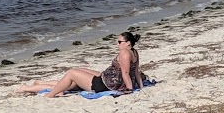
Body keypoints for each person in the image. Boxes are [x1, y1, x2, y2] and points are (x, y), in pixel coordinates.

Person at [15, 30, 148, 99]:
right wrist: (140, 87)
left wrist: (130, 90)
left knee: (72, 73)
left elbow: (125, 72)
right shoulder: (134, 52)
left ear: (127, 43)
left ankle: (50, 94)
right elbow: (135, 71)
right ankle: (38, 85)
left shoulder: (125, 53)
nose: (117, 44)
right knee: (78, 73)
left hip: (104, 84)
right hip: (107, 78)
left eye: (119, 42)